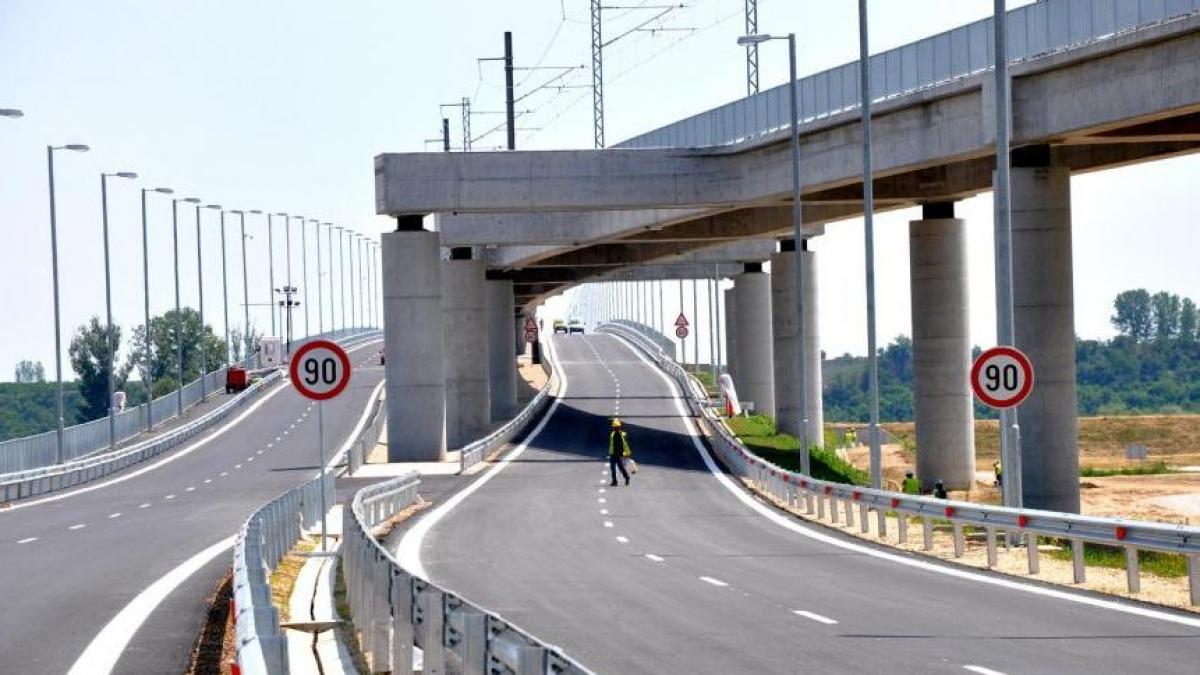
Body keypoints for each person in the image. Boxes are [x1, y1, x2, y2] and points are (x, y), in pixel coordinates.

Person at [608, 418, 633, 486]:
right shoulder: (612, 434)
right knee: (612, 467)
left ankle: (627, 477)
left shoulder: (622, 435)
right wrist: (610, 453)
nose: (615, 428)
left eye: (616, 427)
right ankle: (614, 481)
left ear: (619, 427)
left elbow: (625, 445)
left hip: (619, 454)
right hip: (613, 454)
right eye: (614, 427)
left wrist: (627, 453)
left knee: (621, 467)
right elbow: (611, 444)